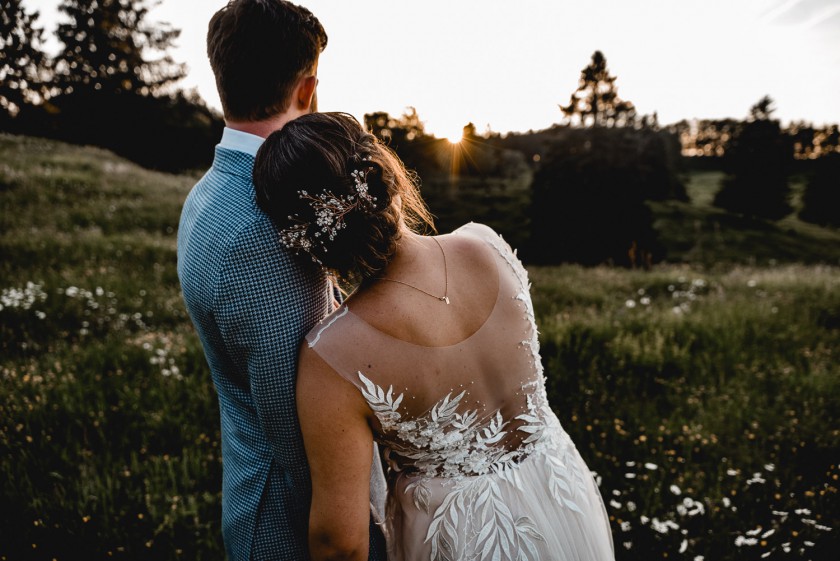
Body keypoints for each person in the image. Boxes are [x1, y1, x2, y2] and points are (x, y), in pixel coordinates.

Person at [252, 112, 616, 561]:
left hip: (461, 541)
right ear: (384, 173)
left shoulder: (332, 356)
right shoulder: (486, 246)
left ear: (302, 240)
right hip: (563, 499)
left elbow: (341, 545)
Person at [176, 3, 387, 560]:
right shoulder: (259, 230)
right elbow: (299, 431)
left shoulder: (206, 193)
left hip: (253, 487)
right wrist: (364, 539)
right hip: (291, 529)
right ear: (308, 89)